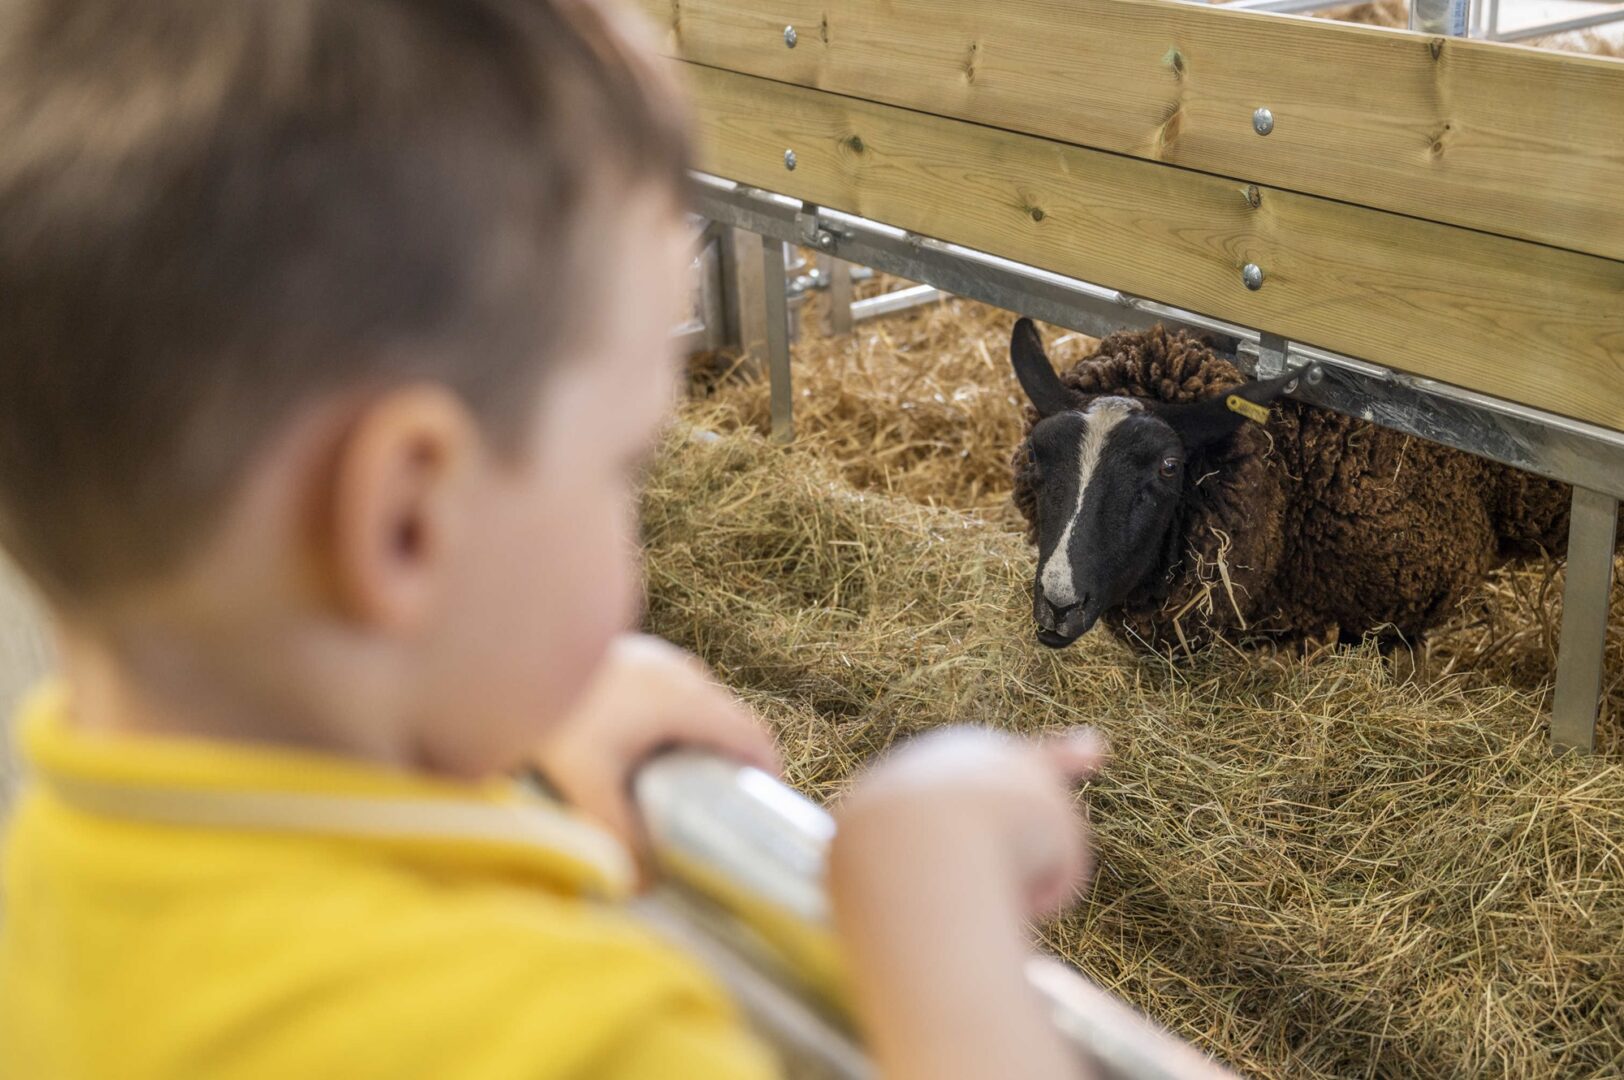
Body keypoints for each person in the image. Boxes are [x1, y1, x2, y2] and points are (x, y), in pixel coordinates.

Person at [0, 2, 1103, 1078]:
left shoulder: (58, 878)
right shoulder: (563, 1035)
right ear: (405, 523)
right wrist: (930, 913)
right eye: (624, 464)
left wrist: (497, 745)